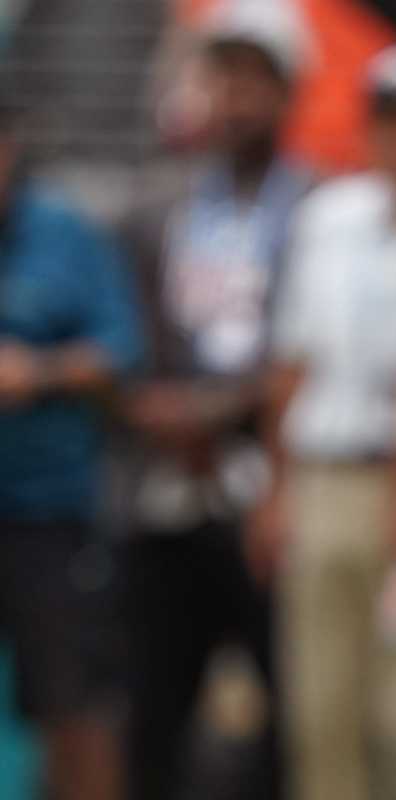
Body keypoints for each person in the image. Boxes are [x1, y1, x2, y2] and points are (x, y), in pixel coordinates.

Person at [115, 2, 312, 797]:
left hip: (269, 486)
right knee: (155, 707)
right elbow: (134, 332)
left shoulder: (319, 204)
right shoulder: (163, 205)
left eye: (254, 80)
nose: (235, 99)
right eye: (223, 78)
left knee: (287, 713)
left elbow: (317, 345)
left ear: (287, 92)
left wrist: (220, 411)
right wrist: (151, 409)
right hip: (169, 486)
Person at [254, 43, 396, 800]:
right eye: (389, 118)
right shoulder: (330, 215)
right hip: (324, 476)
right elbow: (290, 358)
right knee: (321, 704)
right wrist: (275, 490)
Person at [0, 102, 140, 800]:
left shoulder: (64, 232)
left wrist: (39, 372)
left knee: (74, 704)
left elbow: (121, 352)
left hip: (48, 511)